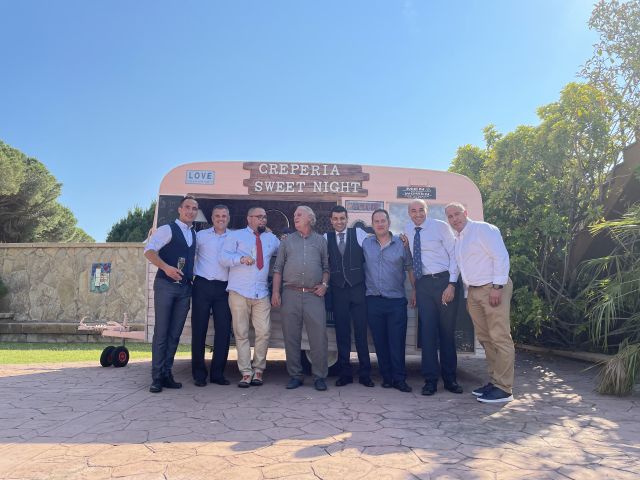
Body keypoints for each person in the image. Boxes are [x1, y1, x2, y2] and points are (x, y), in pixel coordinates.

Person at [445, 202, 515, 403]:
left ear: (466, 213)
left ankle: (504, 389)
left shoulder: (483, 229)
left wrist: (497, 287)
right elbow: (458, 267)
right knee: (485, 338)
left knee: (500, 337)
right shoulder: (459, 239)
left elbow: (501, 256)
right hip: (474, 292)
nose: (454, 219)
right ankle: (495, 382)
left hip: (492, 289)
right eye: (450, 216)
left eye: (457, 214)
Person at [404, 199, 462, 396]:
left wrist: (452, 284)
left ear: (426, 211)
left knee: (446, 333)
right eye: (413, 211)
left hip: (444, 282)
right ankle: (430, 380)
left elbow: (455, 255)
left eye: (421, 210)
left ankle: (450, 380)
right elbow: (411, 260)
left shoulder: (440, 227)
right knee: (427, 334)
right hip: (423, 285)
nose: (417, 214)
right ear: (409, 213)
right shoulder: (407, 229)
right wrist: (415, 288)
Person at [220, 207, 280, 388]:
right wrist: (240, 259)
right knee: (241, 333)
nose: (263, 220)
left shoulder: (271, 239)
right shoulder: (235, 236)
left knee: (264, 332)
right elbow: (223, 258)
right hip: (238, 292)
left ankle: (259, 370)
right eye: (259, 217)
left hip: (261, 293)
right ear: (249, 218)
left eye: (265, 217)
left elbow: (285, 250)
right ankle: (246, 372)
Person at [272, 205, 330, 391]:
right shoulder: (287, 241)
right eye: (294, 214)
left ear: (309, 218)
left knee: (319, 338)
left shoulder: (321, 241)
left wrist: (324, 285)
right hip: (290, 294)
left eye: (299, 214)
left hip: (314, 295)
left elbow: (326, 268)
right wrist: (275, 292)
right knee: (291, 337)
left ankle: (319, 376)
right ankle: (295, 375)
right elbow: (278, 268)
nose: (295, 217)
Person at [144, 195, 198, 393]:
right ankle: (156, 377)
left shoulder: (194, 234)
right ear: (180, 209)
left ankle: (167, 374)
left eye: (194, 208)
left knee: (175, 334)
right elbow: (148, 251)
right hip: (165, 285)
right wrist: (166, 268)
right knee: (162, 332)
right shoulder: (167, 229)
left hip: (185, 288)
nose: (190, 211)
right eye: (187, 207)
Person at [362, 209, 415, 392]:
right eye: (376, 221)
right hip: (373, 301)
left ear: (389, 222)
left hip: (396, 301)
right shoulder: (366, 244)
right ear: (372, 224)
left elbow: (409, 267)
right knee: (380, 342)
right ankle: (386, 377)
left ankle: (399, 379)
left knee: (397, 342)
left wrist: (414, 290)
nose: (380, 224)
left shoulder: (401, 243)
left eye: (383, 220)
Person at [324, 205, 374, 388]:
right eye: (335, 219)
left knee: (361, 333)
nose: (339, 222)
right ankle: (345, 374)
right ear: (331, 220)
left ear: (347, 218)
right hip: (338, 291)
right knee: (342, 334)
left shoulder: (359, 234)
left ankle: (365, 374)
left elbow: (376, 244)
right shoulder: (325, 238)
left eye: (342, 218)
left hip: (358, 290)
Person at [190, 205, 233, 387]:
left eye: (224, 216)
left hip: (224, 288)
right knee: (198, 330)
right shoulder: (200, 236)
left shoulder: (234, 237)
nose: (220, 219)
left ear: (228, 217)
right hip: (201, 285)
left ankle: (217, 374)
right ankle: (199, 374)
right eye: (217, 216)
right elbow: (189, 254)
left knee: (223, 332)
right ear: (212, 218)